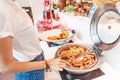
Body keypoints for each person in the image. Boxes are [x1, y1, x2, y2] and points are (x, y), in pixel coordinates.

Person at [0, 0, 66, 80]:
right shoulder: (2, 11)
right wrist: (47, 63)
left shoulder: (12, 3)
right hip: (29, 70)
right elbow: (6, 67)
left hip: (36, 60)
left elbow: (18, 31)